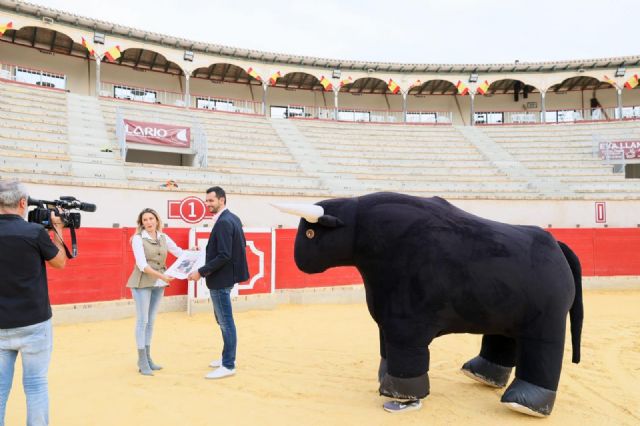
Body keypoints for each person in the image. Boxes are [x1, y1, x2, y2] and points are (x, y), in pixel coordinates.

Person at [0, 180, 68, 426]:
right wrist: (58, 228)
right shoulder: (33, 232)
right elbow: (60, 262)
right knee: (36, 385)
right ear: (22, 203)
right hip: (34, 321)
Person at [188, 186, 249, 380]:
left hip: (221, 279)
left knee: (225, 322)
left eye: (211, 201)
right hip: (226, 277)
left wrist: (200, 271)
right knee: (222, 320)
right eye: (206, 201)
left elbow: (224, 254)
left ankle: (229, 364)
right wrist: (204, 252)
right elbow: (235, 247)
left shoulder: (223, 222)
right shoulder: (233, 218)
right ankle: (226, 357)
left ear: (222, 200)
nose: (207, 204)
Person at [127, 208, 185, 376]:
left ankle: (148, 357)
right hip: (142, 282)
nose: (149, 222)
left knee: (151, 321)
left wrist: (193, 252)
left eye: (151, 218)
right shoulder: (137, 239)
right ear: (141, 223)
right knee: (142, 321)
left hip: (159, 283)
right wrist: (163, 276)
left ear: (157, 220)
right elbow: (142, 265)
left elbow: (179, 252)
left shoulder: (163, 237)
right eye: (145, 220)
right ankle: (142, 360)